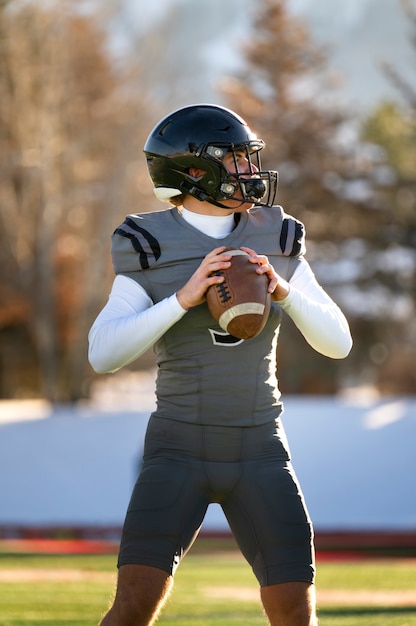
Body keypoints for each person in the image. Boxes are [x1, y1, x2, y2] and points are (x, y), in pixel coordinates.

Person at [88, 103, 352, 626]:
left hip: (260, 446)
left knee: (295, 613)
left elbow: (338, 343)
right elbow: (103, 354)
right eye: (233, 160)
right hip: (177, 446)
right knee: (133, 608)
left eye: (248, 159)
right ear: (193, 171)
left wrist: (284, 292)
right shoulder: (149, 243)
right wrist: (181, 300)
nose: (248, 172)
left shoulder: (276, 236)